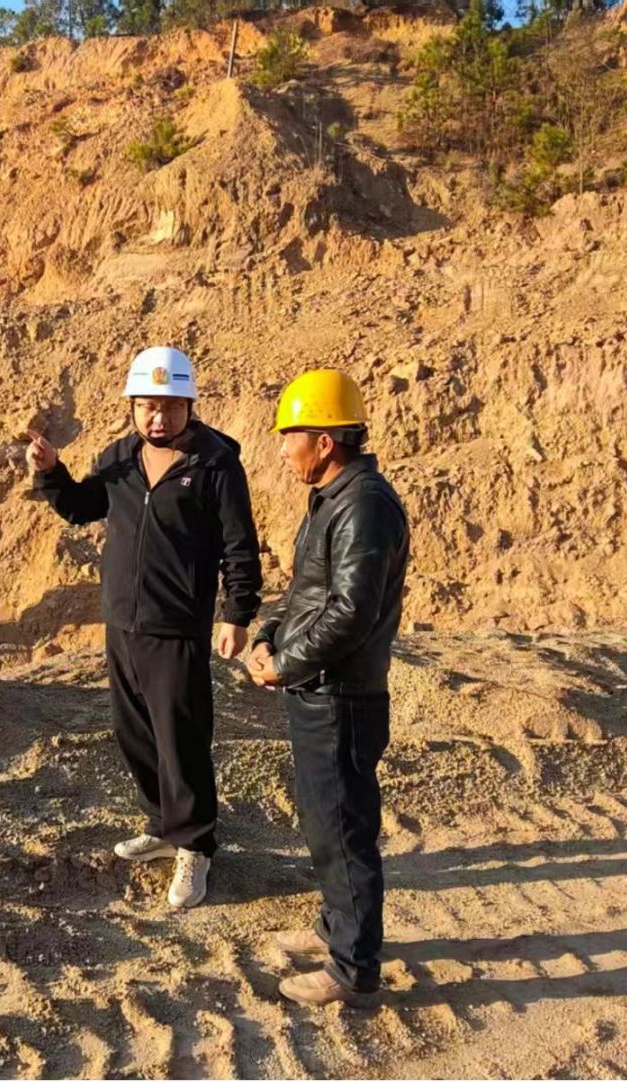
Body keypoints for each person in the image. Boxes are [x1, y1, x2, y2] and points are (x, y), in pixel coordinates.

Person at [28, 346, 262, 908]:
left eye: (170, 406)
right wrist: (52, 472)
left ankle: (195, 845)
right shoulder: (120, 457)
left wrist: (236, 614)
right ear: (133, 406)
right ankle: (161, 826)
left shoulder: (215, 464)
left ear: (189, 406)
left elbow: (239, 544)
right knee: (133, 731)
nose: (159, 418)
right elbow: (82, 507)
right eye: (148, 406)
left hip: (177, 624)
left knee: (181, 739)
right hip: (122, 621)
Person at [247, 369, 409, 1007]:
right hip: (319, 688)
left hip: (340, 696)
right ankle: (339, 930)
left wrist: (284, 664)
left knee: (343, 831)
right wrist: (269, 635)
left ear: (324, 440)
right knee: (326, 823)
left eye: (290, 437)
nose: (283, 451)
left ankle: (353, 969)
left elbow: (350, 613)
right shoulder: (335, 498)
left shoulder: (364, 505)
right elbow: (308, 593)